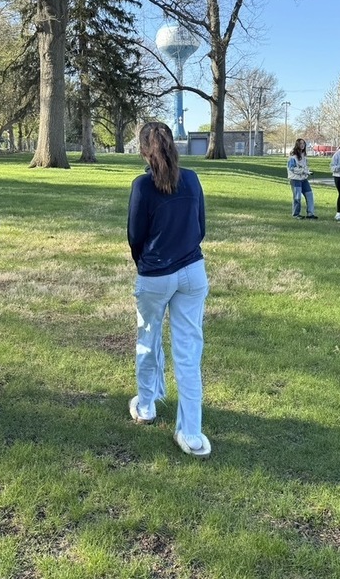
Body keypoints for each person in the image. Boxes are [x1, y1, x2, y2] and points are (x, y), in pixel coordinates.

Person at [127, 122, 211, 458]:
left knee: (147, 339)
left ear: (144, 151)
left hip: (157, 275)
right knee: (189, 354)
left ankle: (147, 405)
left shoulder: (142, 186)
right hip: (192, 272)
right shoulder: (191, 179)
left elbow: (135, 237)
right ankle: (191, 433)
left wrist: (147, 263)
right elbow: (201, 226)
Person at [287, 138, 317, 219]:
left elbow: (305, 167)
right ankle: (296, 214)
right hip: (295, 179)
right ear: (297, 145)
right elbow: (292, 168)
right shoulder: (293, 157)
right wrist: (303, 171)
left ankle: (310, 214)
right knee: (297, 197)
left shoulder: (304, 156)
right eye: (300, 143)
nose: (302, 145)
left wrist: (307, 172)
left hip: (304, 179)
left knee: (309, 195)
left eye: (303, 143)